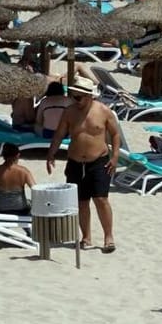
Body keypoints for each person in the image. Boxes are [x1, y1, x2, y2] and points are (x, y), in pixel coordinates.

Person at [46, 79, 120, 253]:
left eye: (79, 97)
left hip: (99, 161)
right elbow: (58, 135)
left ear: (89, 96)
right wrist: (51, 154)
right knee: (81, 202)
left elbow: (115, 134)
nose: (75, 100)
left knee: (101, 200)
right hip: (75, 162)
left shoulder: (103, 111)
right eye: (73, 96)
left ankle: (108, 237)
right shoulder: (69, 112)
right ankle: (86, 237)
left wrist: (115, 156)